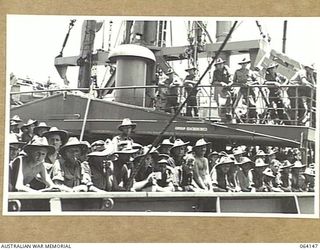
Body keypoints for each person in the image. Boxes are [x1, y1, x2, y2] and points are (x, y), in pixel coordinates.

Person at [232, 58, 256, 123]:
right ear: (241, 64)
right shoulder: (237, 72)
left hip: (250, 90)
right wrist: (241, 84)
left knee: (252, 105)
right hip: (242, 89)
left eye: (245, 63)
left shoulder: (250, 72)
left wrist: (250, 84)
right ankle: (233, 116)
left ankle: (251, 119)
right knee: (236, 104)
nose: (244, 65)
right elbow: (234, 82)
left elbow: (256, 81)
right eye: (243, 64)